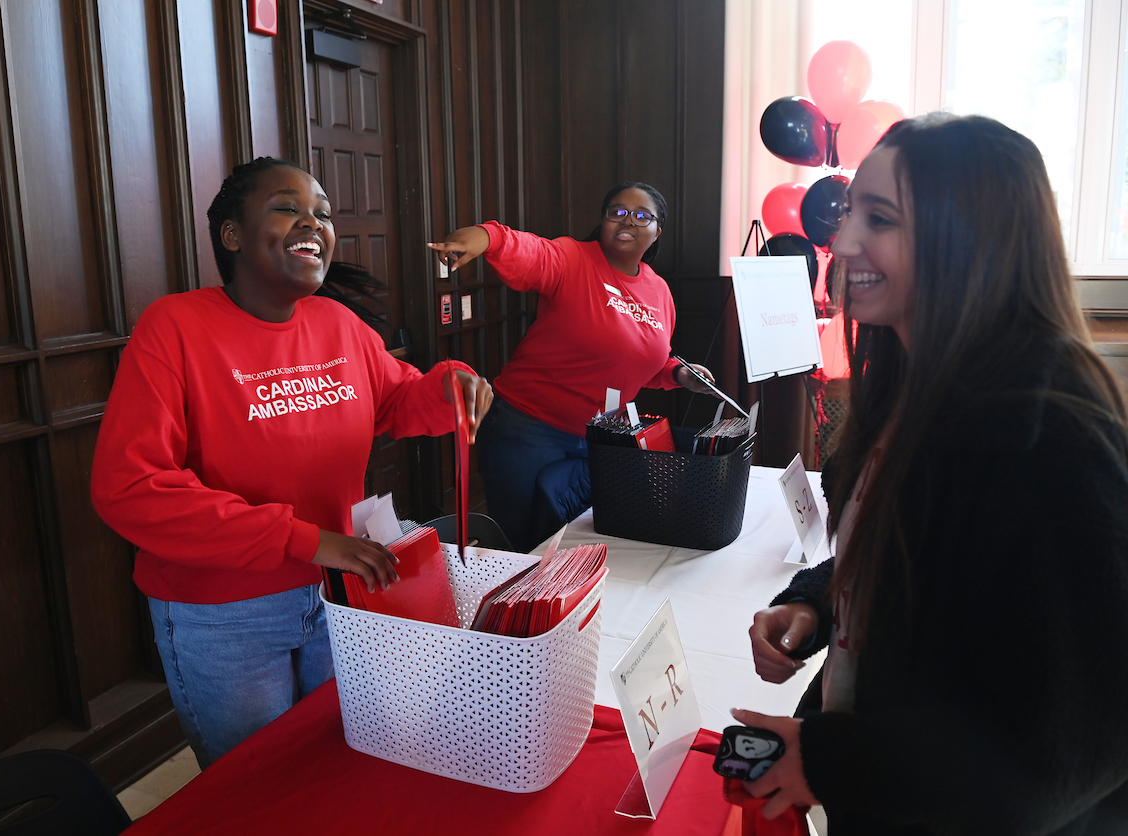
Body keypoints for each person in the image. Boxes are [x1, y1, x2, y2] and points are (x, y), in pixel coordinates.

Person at [736, 114, 1128, 834]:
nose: (843, 241)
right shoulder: (908, 384)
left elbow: (1061, 754)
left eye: (878, 219)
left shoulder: (1056, 441)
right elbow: (917, 552)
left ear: (972, 240)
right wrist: (819, 604)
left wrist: (831, 761)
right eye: (850, 211)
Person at [90, 157, 492, 767]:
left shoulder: (338, 323)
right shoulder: (174, 327)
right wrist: (301, 539)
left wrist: (449, 386)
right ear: (232, 235)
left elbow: (396, 400)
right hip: (227, 613)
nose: (314, 222)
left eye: (324, 214)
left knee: (339, 761)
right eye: (288, 207)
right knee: (257, 781)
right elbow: (131, 486)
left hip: (339, 589)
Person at [428, 183, 715, 551]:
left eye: (642, 216)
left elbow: (645, 358)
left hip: (599, 435)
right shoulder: (573, 258)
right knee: (525, 545)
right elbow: (529, 252)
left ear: (657, 231)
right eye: (617, 211)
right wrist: (487, 237)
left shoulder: (658, 291)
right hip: (526, 428)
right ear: (603, 220)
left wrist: (678, 373)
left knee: (576, 545)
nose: (627, 220)